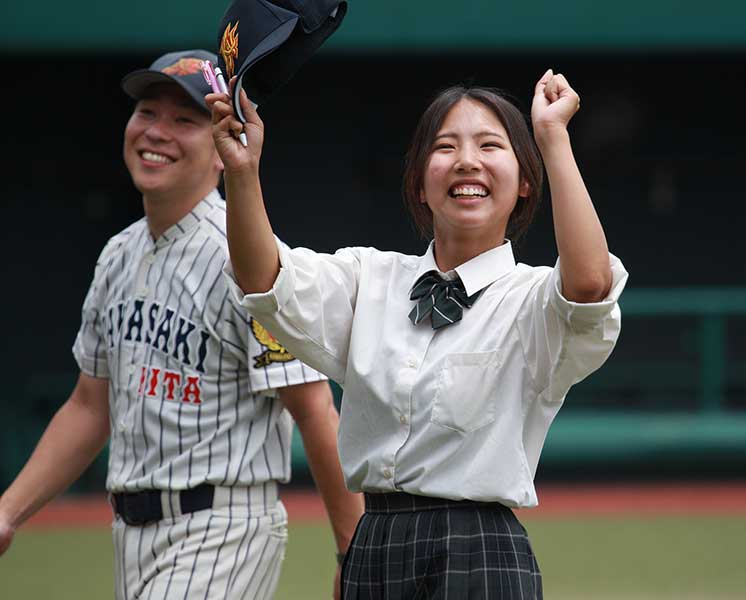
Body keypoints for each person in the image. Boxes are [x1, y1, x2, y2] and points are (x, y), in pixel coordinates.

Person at [208, 68, 628, 598]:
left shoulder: (533, 301)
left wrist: (552, 137)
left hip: (480, 554)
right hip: (374, 544)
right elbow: (263, 277)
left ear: (525, 182)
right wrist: (242, 172)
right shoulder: (368, 278)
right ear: (420, 184)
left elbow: (588, 285)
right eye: (445, 147)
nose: (467, 160)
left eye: (490, 145)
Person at [0, 49, 362, 600]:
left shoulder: (250, 261)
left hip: (223, 527)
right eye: (147, 112)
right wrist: (8, 510)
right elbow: (88, 406)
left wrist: (352, 550)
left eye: (186, 120)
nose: (157, 131)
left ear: (223, 151)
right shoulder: (117, 256)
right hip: (129, 533)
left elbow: (314, 409)